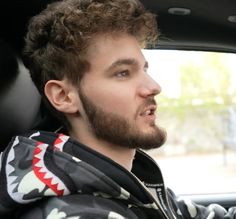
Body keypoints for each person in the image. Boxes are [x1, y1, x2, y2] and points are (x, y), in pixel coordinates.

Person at [0, 0, 236, 218]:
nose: (153, 87)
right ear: (63, 96)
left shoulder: (129, 183)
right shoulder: (80, 213)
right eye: (123, 73)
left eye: (145, 69)